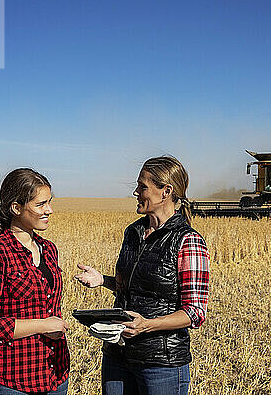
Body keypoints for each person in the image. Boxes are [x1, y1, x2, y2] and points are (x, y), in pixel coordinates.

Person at [75, 156, 210, 395]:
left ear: (165, 191)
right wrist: (103, 280)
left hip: (161, 362)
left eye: (142, 186)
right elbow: (137, 288)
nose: (136, 192)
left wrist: (147, 326)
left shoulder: (188, 241)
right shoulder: (133, 232)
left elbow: (195, 312)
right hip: (118, 355)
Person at [0, 168, 70, 395]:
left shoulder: (49, 249)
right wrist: (43, 325)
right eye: (41, 204)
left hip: (56, 374)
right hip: (14, 378)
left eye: (49, 202)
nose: (49, 210)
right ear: (16, 208)